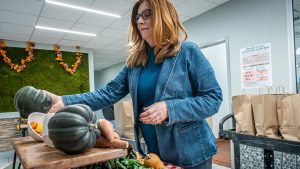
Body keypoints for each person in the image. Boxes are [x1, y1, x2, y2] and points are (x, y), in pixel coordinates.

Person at [47, 0, 222, 168]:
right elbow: (108, 93)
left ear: (163, 15)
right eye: (137, 17)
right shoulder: (136, 62)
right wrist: (65, 101)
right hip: (154, 153)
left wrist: (169, 108)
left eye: (147, 14)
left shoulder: (188, 52)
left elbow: (213, 98)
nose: (139, 21)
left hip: (191, 153)